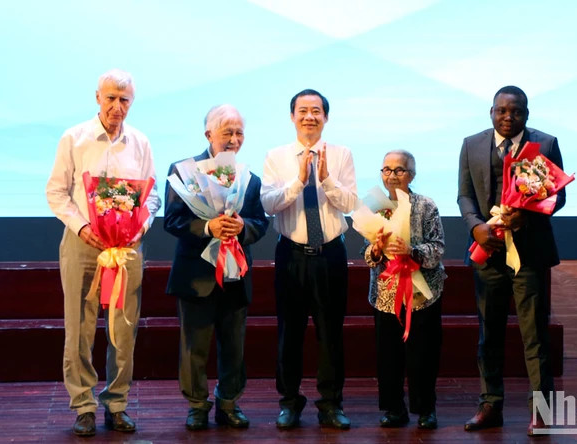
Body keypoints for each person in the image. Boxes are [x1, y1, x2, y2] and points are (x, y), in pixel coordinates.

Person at [46, 68, 161, 437]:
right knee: (79, 328)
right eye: (110, 97)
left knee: (123, 330)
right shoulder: (74, 138)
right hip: (83, 245)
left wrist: (138, 228)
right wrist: (82, 226)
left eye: (124, 99)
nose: (117, 106)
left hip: (127, 248)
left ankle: (117, 404)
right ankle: (83, 406)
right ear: (97, 97)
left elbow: (152, 195)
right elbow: (56, 192)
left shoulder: (141, 142)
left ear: (132, 102)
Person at [457, 85, 565, 436]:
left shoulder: (545, 145)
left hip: (529, 256)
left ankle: (543, 413)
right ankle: (491, 405)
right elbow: (464, 194)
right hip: (488, 255)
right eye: (501, 111)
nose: (508, 117)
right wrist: (475, 228)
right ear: (491, 112)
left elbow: (558, 196)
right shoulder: (471, 144)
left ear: (526, 114)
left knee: (534, 337)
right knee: (489, 335)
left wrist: (528, 217)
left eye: (515, 111)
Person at [163, 105, 269, 431]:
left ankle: (228, 403)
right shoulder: (184, 170)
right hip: (196, 275)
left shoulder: (250, 178)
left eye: (239, 133)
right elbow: (173, 220)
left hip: (235, 274)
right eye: (228, 133)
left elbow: (260, 223)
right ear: (209, 134)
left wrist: (242, 228)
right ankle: (196, 405)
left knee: (234, 346)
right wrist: (209, 228)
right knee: (194, 346)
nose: (234, 140)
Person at [261, 89, 358, 430]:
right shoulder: (276, 156)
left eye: (316, 111)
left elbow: (350, 204)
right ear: (292, 117)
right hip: (291, 255)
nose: (309, 117)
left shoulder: (342, 154)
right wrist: (299, 180)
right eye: (302, 111)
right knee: (290, 332)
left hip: (330, 254)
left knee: (330, 333)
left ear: (326, 118)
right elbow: (269, 204)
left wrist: (326, 178)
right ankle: (289, 402)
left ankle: (331, 404)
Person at [364, 150, 447, 430]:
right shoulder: (374, 206)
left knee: (422, 354)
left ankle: (425, 410)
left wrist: (411, 251)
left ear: (411, 175)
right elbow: (368, 257)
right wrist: (376, 250)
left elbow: (438, 247)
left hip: (422, 293)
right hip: (386, 294)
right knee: (388, 355)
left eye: (399, 170)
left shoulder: (425, 205)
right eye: (386, 170)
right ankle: (393, 409)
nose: (391, 176)